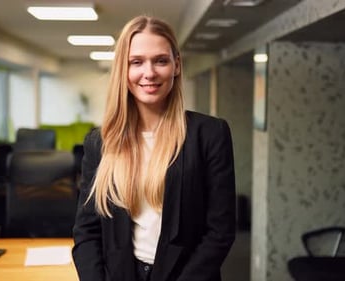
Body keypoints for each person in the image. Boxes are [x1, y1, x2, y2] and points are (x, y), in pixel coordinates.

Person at [72, 15, 236, 281]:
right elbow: (87, 231)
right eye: (136, 62)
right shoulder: (100, 142)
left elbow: (220, 231)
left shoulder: (209, 134)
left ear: (176, 65)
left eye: (160, 60)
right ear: (123, 70)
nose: (149, 73)